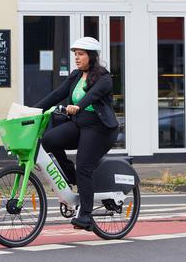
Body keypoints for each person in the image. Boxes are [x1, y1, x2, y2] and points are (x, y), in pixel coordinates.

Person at [33, 37, 119, 231]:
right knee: (49, 140)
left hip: (100, 129)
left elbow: (92, 96)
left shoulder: (104, 78)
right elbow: (56, 94)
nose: (77, 58)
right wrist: (32, 110)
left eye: (81, 54)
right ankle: (72, 178)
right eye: (75, 54)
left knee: (85, 166)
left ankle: (86, 215)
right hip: (80, 125)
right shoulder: (75, 76)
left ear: (92, 56)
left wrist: (77, 107)